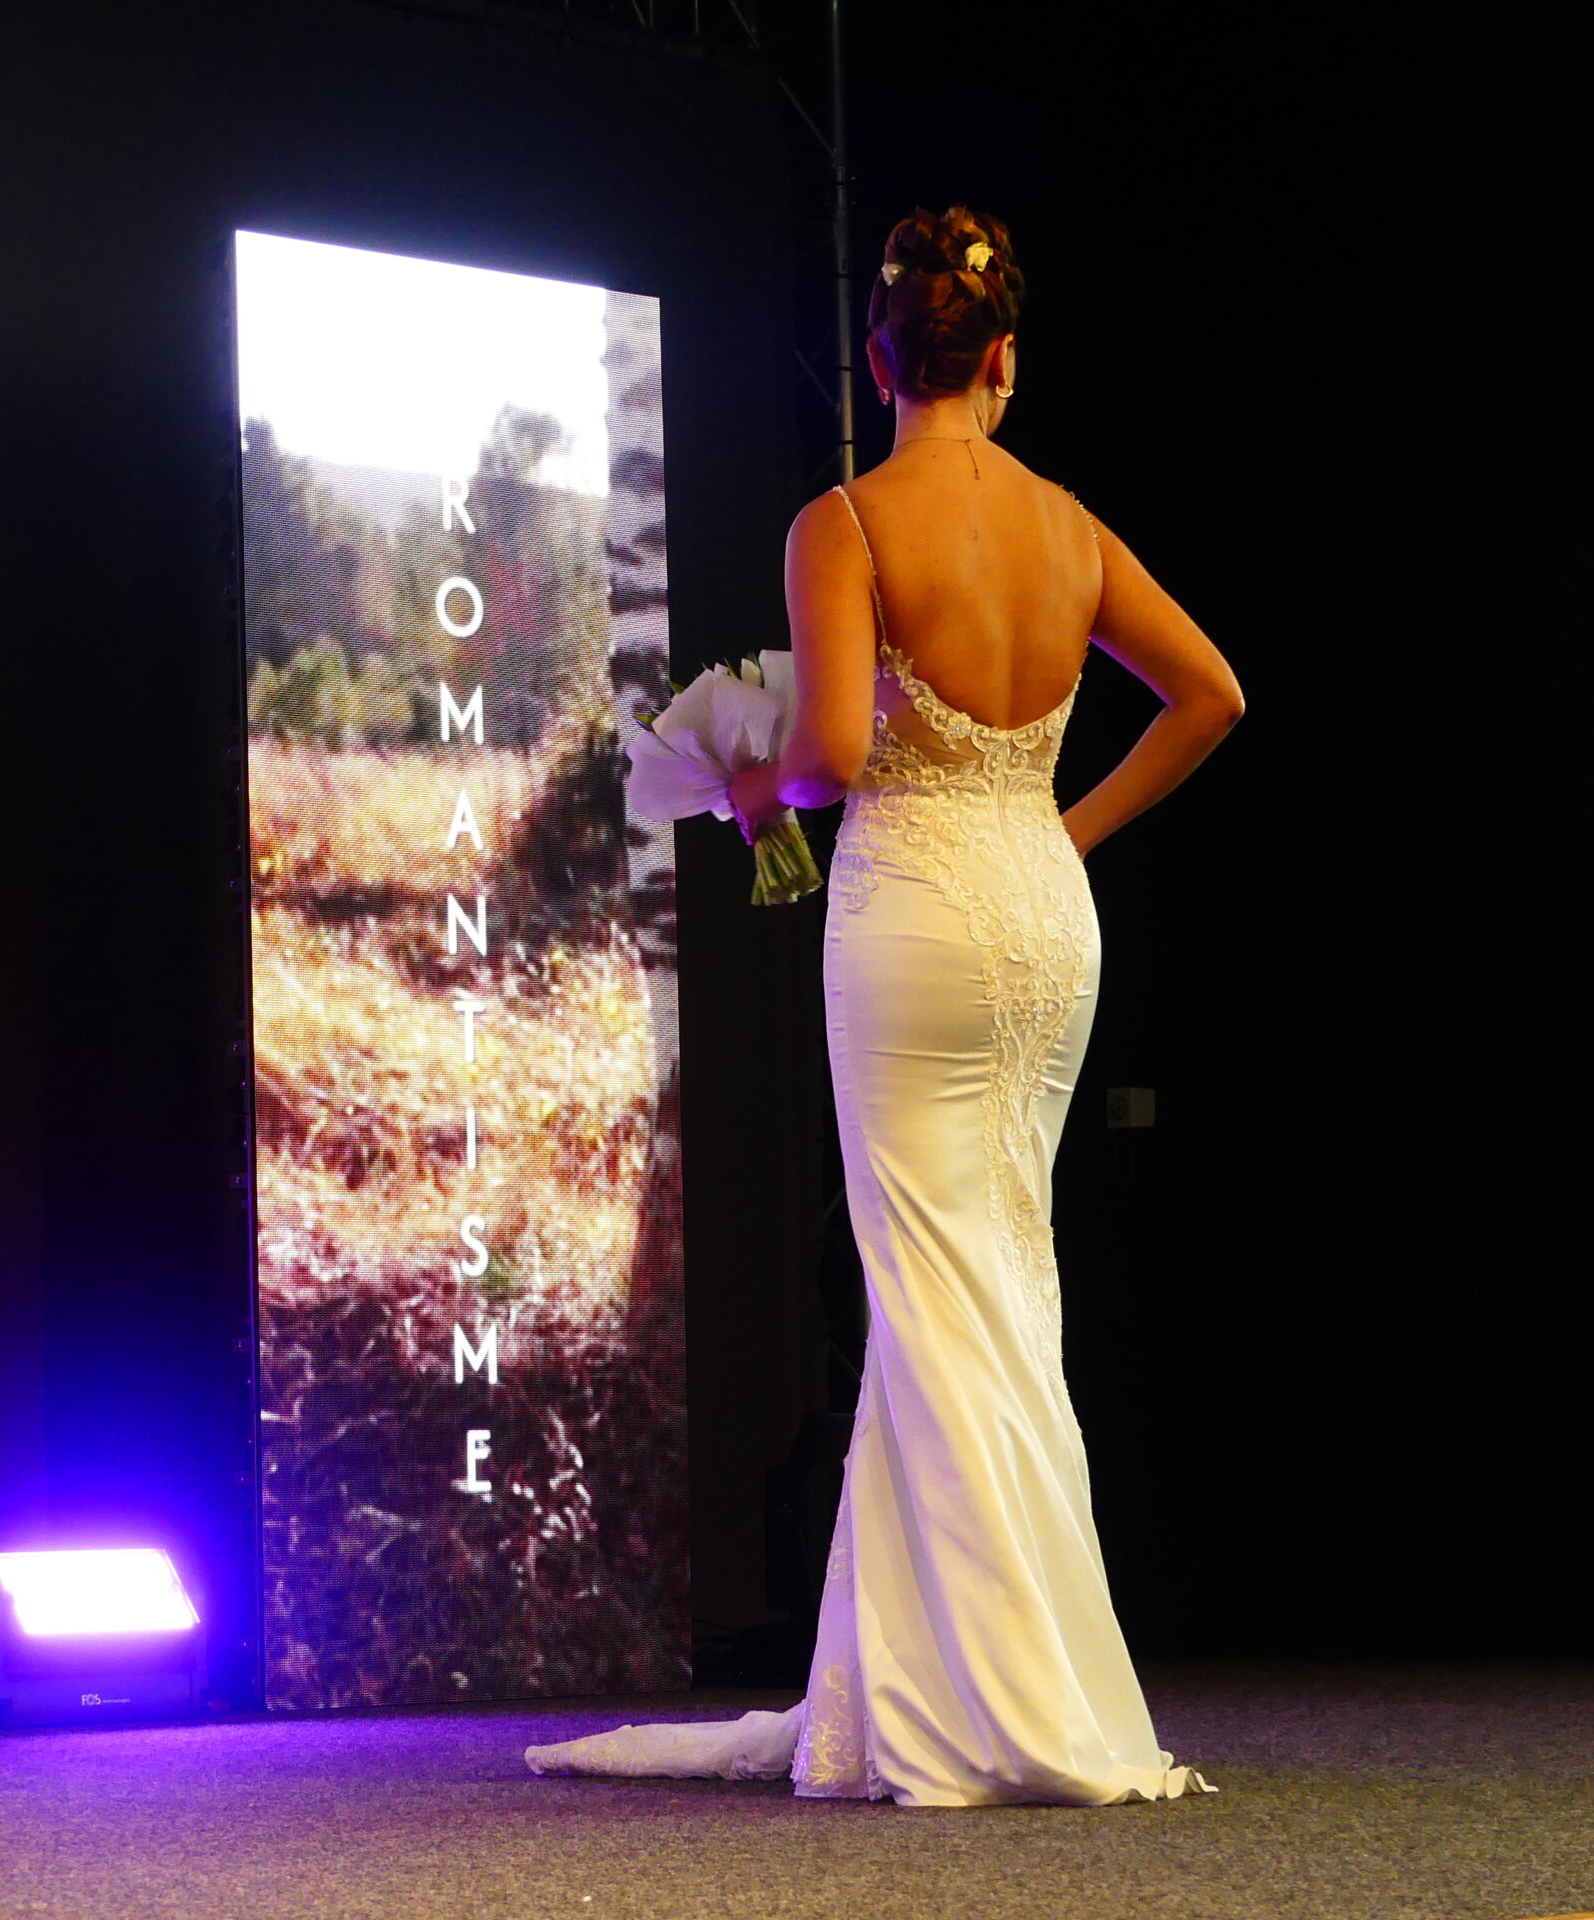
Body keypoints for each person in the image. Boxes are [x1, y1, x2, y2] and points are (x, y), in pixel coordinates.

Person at [528, 207, 1244, 1805]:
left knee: (932, 1292)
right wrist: (1063, 833)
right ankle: (939, 1679)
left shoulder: (844, 520)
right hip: (1044, 916)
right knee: (1003, 1282)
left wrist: (749, 785)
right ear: (1005, 362)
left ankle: (999, 1707)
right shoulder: (1071, 526)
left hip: (913, 910)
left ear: (877, 361)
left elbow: (838, 754)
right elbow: (1213, 696)